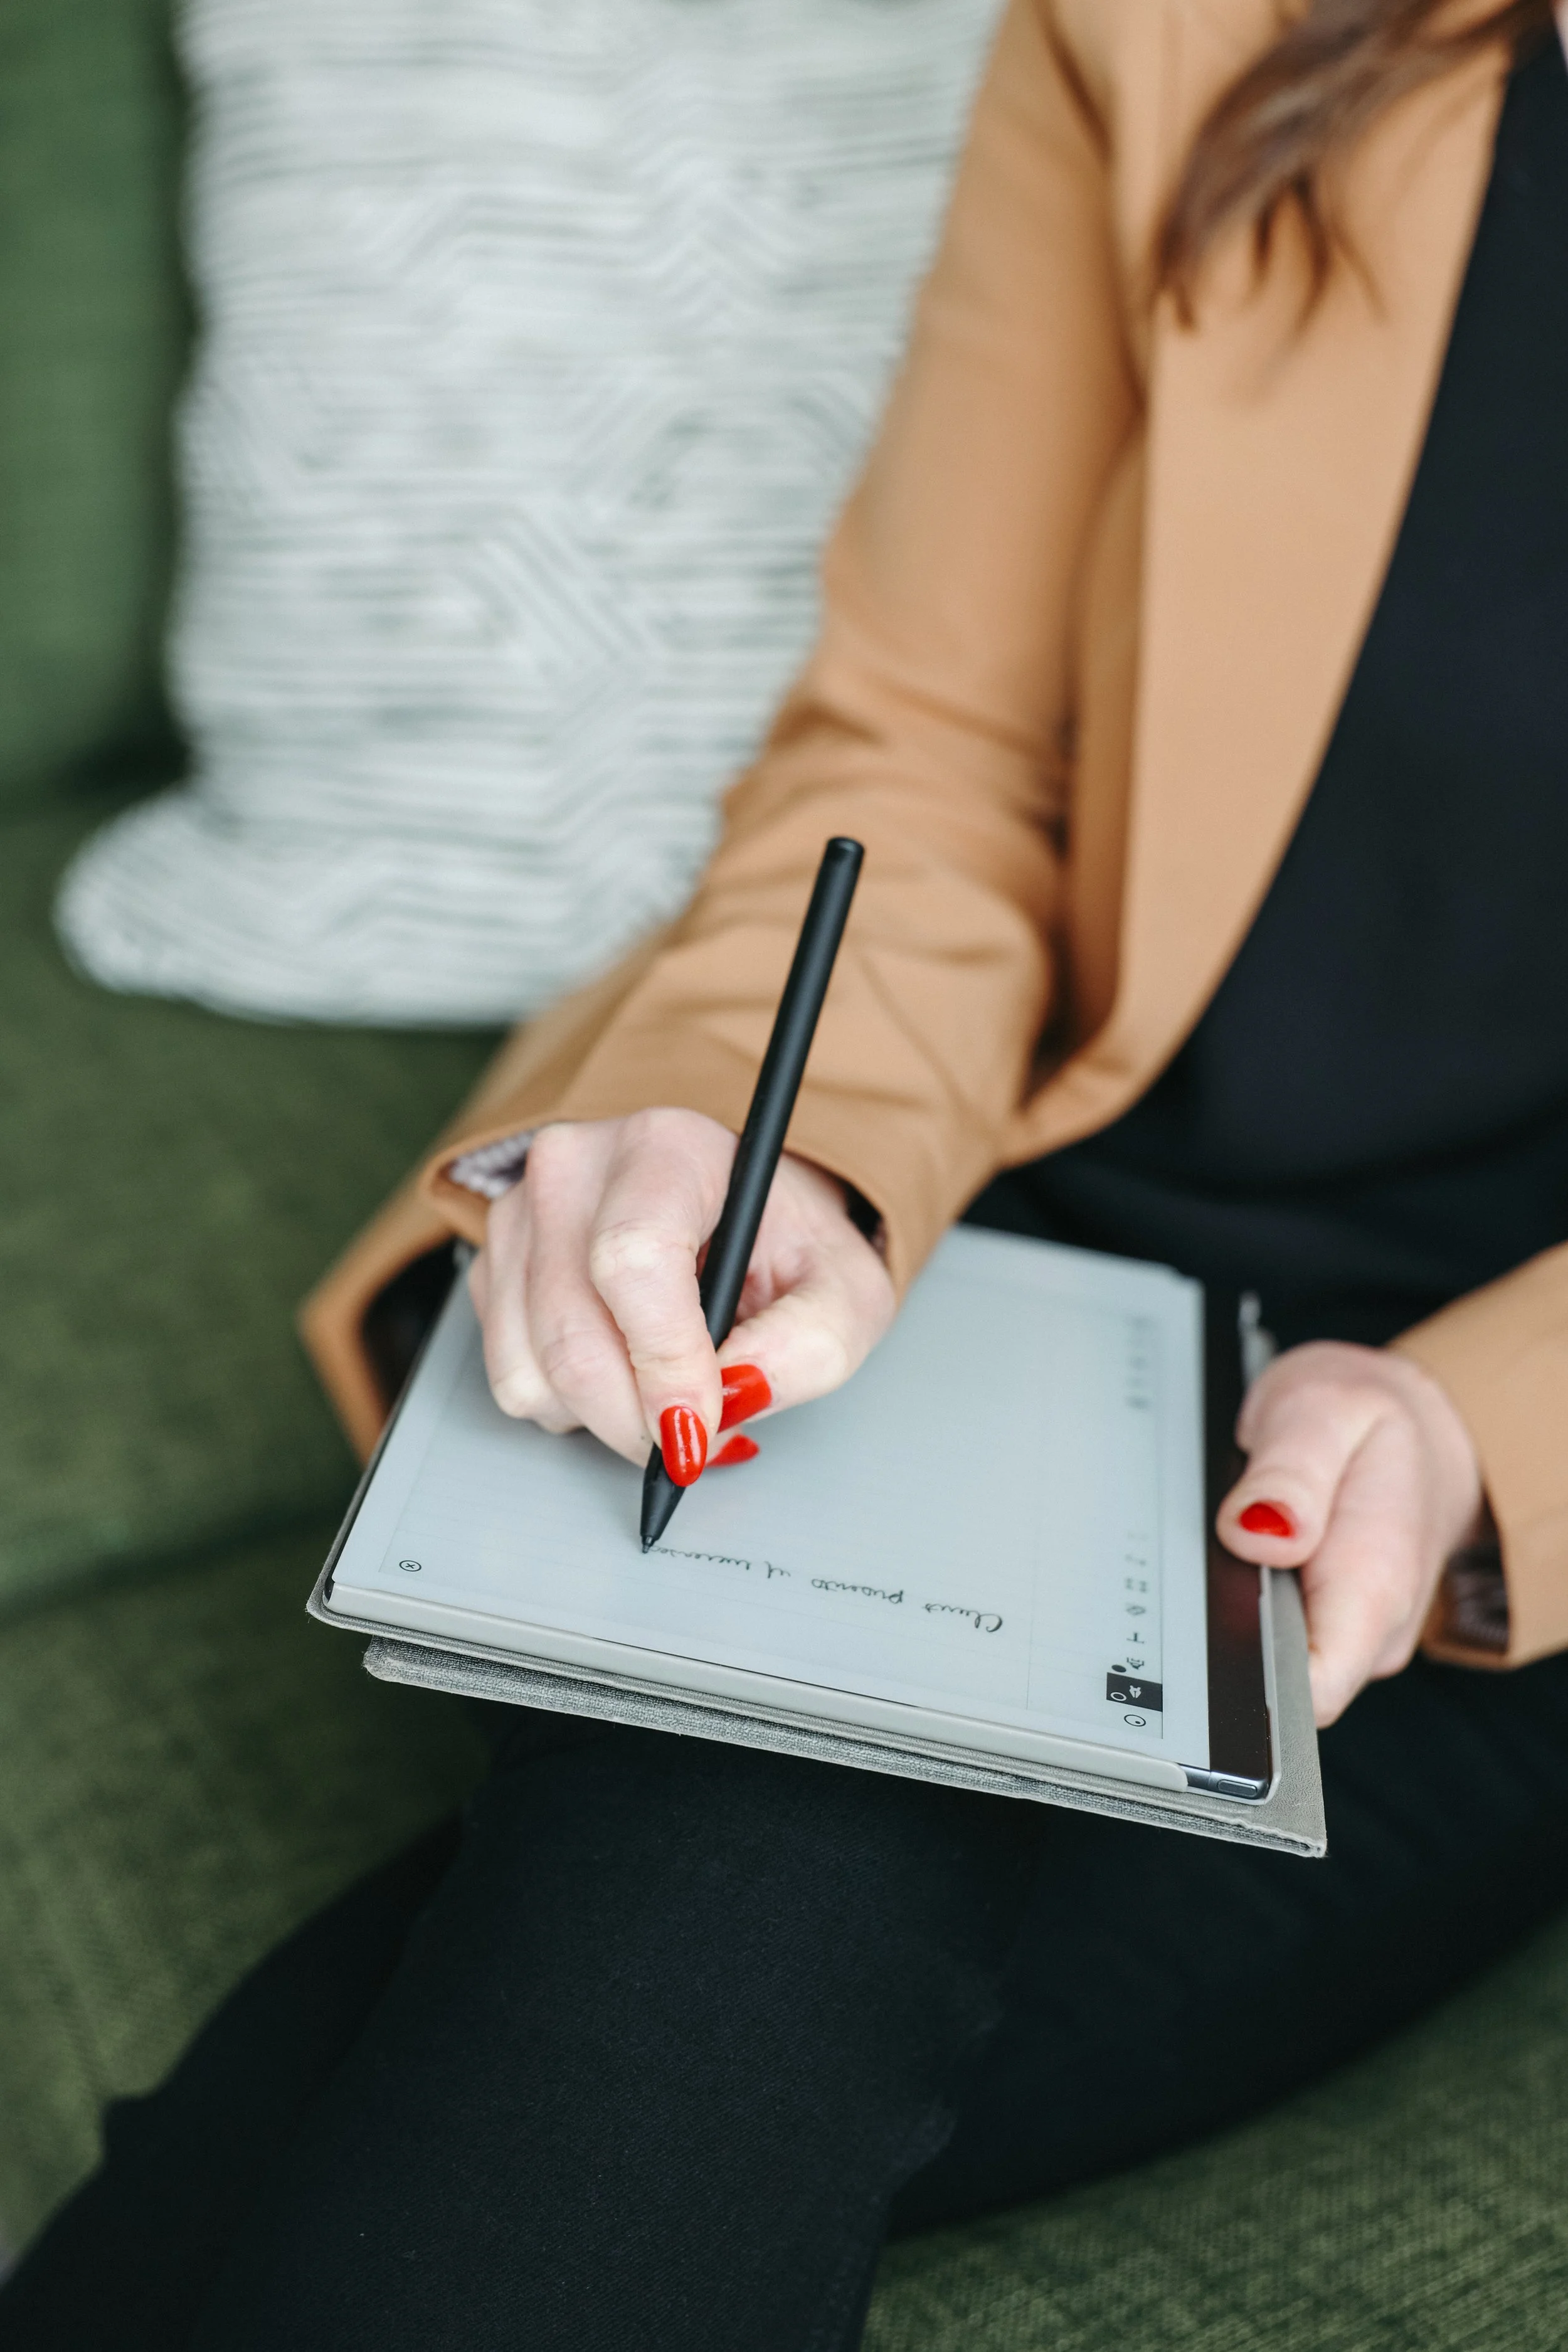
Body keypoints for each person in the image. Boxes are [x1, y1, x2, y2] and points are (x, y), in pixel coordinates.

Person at [7, 1, 1568, 2344]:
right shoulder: (1191, 25)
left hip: (1474, 1519)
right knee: (690, 1931)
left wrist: (1483, 1427)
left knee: (512, 2053)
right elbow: (928, 739)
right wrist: (774, 1135)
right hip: (1020, 1222)